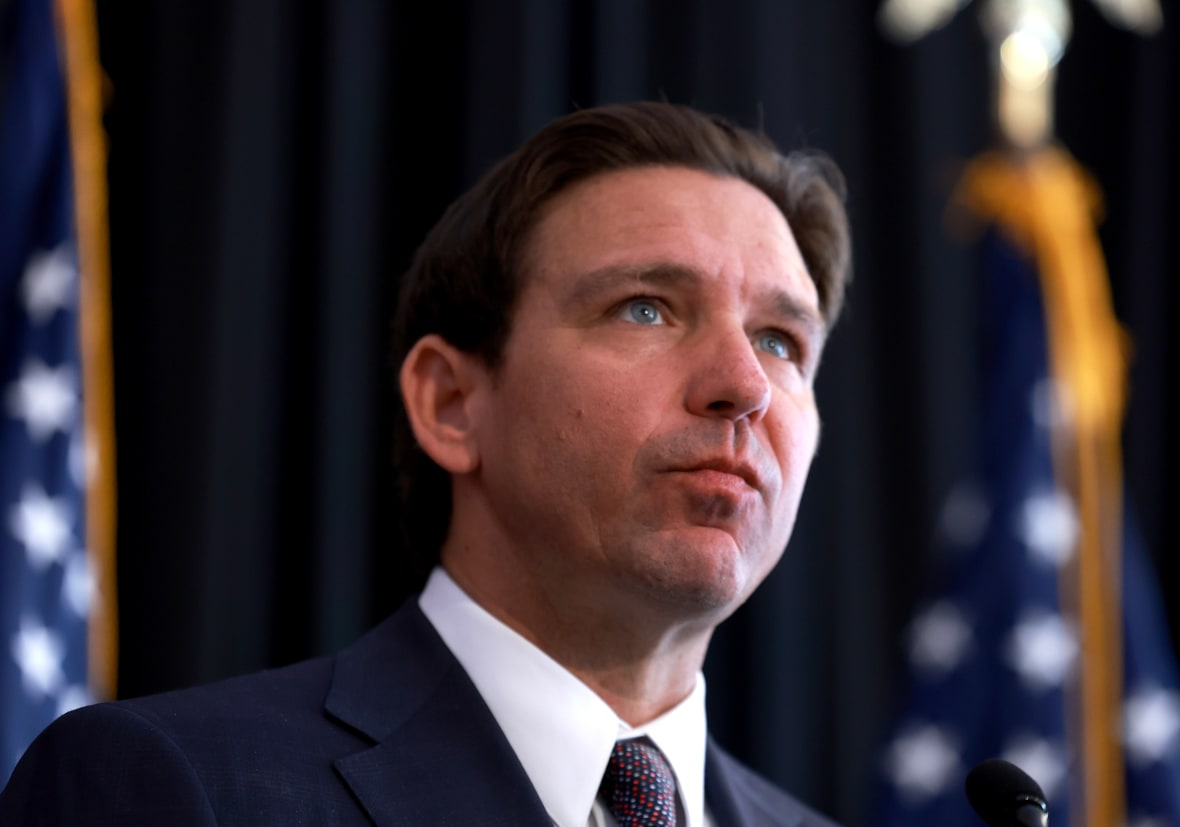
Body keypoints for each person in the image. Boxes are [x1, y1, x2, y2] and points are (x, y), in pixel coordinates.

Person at [0, 100, 851, 826]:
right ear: (451, 403)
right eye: (646, 308)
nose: (745, 385)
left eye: (781, 341)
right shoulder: (172, 789)